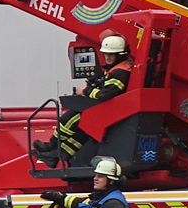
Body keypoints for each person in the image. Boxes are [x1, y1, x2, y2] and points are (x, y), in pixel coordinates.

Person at [36, 34, 132, 162]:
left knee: (70, 118)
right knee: (81, 131)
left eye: (111, 54)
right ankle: (57, 155)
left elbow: (105, 95)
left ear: (120, 54)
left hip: (110, 111)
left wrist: (85, 91)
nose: (107, 57)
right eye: (106, 54)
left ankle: (51, 145)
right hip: (113, 110)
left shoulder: (119, 72)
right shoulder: (120, 67)